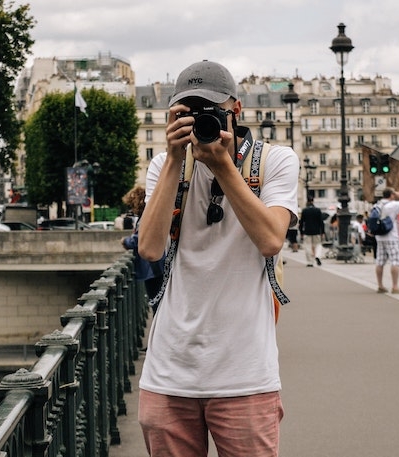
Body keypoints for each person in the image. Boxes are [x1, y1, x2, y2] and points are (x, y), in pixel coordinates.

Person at [136, 60, 299, 456]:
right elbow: (149, 248)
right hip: (169, 373)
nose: (200, 120)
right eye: (189, 112)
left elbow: (270, 239)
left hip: (244, 373)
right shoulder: (165, 165)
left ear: (236, 110)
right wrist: (175, 158)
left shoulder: (275, 161)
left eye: (209, 109)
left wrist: (223, 165)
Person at [120, 186, 164, 313]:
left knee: (156, 301)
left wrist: (125, 241)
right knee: (157, 301)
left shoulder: (146, 217)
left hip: (152, 267)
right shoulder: (148, 214)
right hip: (155, 266)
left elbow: (139, 239)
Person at [374, 188, 399, 294]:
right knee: (395, 261)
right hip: (392, 236)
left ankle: (380, 285)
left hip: (380, 236)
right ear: (391, 195)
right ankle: (395, 287)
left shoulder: (377, 205)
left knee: (380, 262)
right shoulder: (393, 205)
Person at [299, 198, 324, 266]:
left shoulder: (305, 211)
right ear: (313, 202)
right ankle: (317, 256)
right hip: (317, 231)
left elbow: (301, 223)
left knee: (308, 246)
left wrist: (301, 232)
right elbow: (321, 222)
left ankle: (310, 262)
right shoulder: (317, 210)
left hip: (307, 231)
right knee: (318, 245)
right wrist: (322, 232)